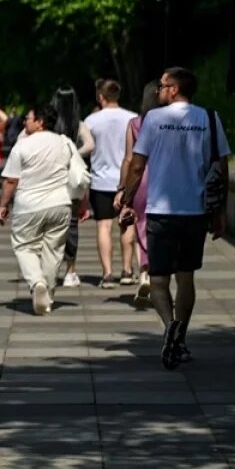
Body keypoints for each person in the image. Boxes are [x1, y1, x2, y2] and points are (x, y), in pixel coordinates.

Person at [119, 66, 231, 369]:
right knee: (186, 278)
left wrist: (127, 201)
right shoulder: (209, 117)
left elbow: (138, 165)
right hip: (194, 211)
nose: (159, 91)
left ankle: (169, 326)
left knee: (158, 280)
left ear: (173, 89)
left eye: (162, 86)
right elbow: (221, 167)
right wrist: (219, 213)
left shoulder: (153, 119)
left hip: (160, 211)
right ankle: (180, 337)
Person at [0, 104, 90, 315]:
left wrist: (3, 204)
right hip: (60, 204)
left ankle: (37, 283)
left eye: (28, 118)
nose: (24, 122)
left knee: (24, 246)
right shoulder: (65, 143)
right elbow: (78, 174)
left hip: (29, 205)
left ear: (40, 121)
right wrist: (83, 203)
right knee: (54, 250)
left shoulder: (23, 145)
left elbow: (11, 180)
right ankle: (47, 292)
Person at [83, 79, 138, 288]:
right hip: (127, 180)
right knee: (127, 224)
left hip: (100, 180)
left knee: (103, 226)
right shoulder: (132, 118)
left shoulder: (91, 120)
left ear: (100, 97)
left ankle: (107, 274)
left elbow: (86, 149)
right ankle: (127, 270)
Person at [114, 80, 162, 305]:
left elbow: (128, 159)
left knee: (139, 223)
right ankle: (156, 276)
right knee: (160, 228)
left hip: (140, 179)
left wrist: (122, 189)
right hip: (165, 180)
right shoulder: (168, 123)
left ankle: (143, 272)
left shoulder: (135, 123)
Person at [52, 87, 95, 286]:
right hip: (72, 181)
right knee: (71, 225)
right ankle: (71, 271)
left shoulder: (50, 124)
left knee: (51, 226)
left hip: (51, 178)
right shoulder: (79, 124)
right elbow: (90, 145)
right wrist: (75, 153)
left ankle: (50, 268)